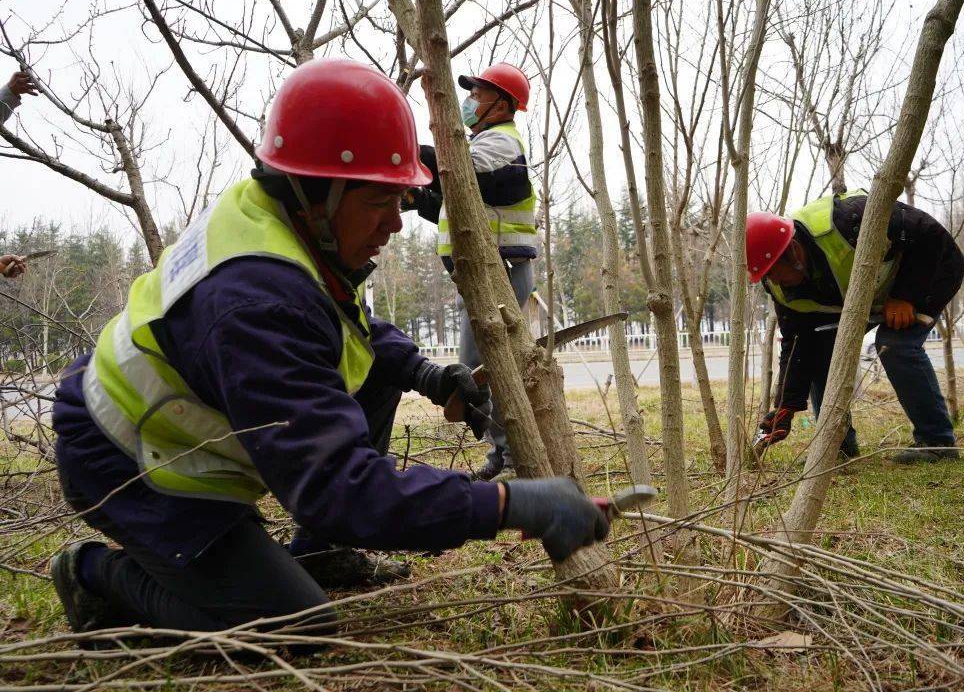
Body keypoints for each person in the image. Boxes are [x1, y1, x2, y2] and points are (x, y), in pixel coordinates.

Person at [49, 59, 609, 637]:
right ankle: (93, 575)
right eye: (378, 202)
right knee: (291, 623)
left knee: (381, 373)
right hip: (128, 462)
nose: (396, 223)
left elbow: (347, 327)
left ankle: (319, 554)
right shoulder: (259, 301)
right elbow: (337, 488)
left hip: (178, 447)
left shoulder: (277, 220)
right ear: (317, 193)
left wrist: (431, 376)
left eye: (400, 201)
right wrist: (506, 504)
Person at [748, 189, 964, 464]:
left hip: (928, 274)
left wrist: (906, 295)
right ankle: (836, 445)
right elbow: (798, 345)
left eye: (773, 272)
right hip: (865, 299)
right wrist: (786, 406)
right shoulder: (779, 286)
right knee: (817, 349)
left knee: (895, 345)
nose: (774, 283)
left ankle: (938, 443)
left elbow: (931, 236)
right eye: (765, 276)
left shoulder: (849, 220)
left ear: (792, 250)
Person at [405, 63, 537, 482]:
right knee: (482, 367)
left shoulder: (499, 144)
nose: (470, 101)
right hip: (480, 274)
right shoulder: (486, 145)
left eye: (478, 95)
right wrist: (419, 199)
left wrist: (405, 149)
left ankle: (515, 459)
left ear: (502, 105)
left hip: (501, 271)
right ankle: (502, 456)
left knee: (485, 369)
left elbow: (452, 167)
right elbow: (458, 202)